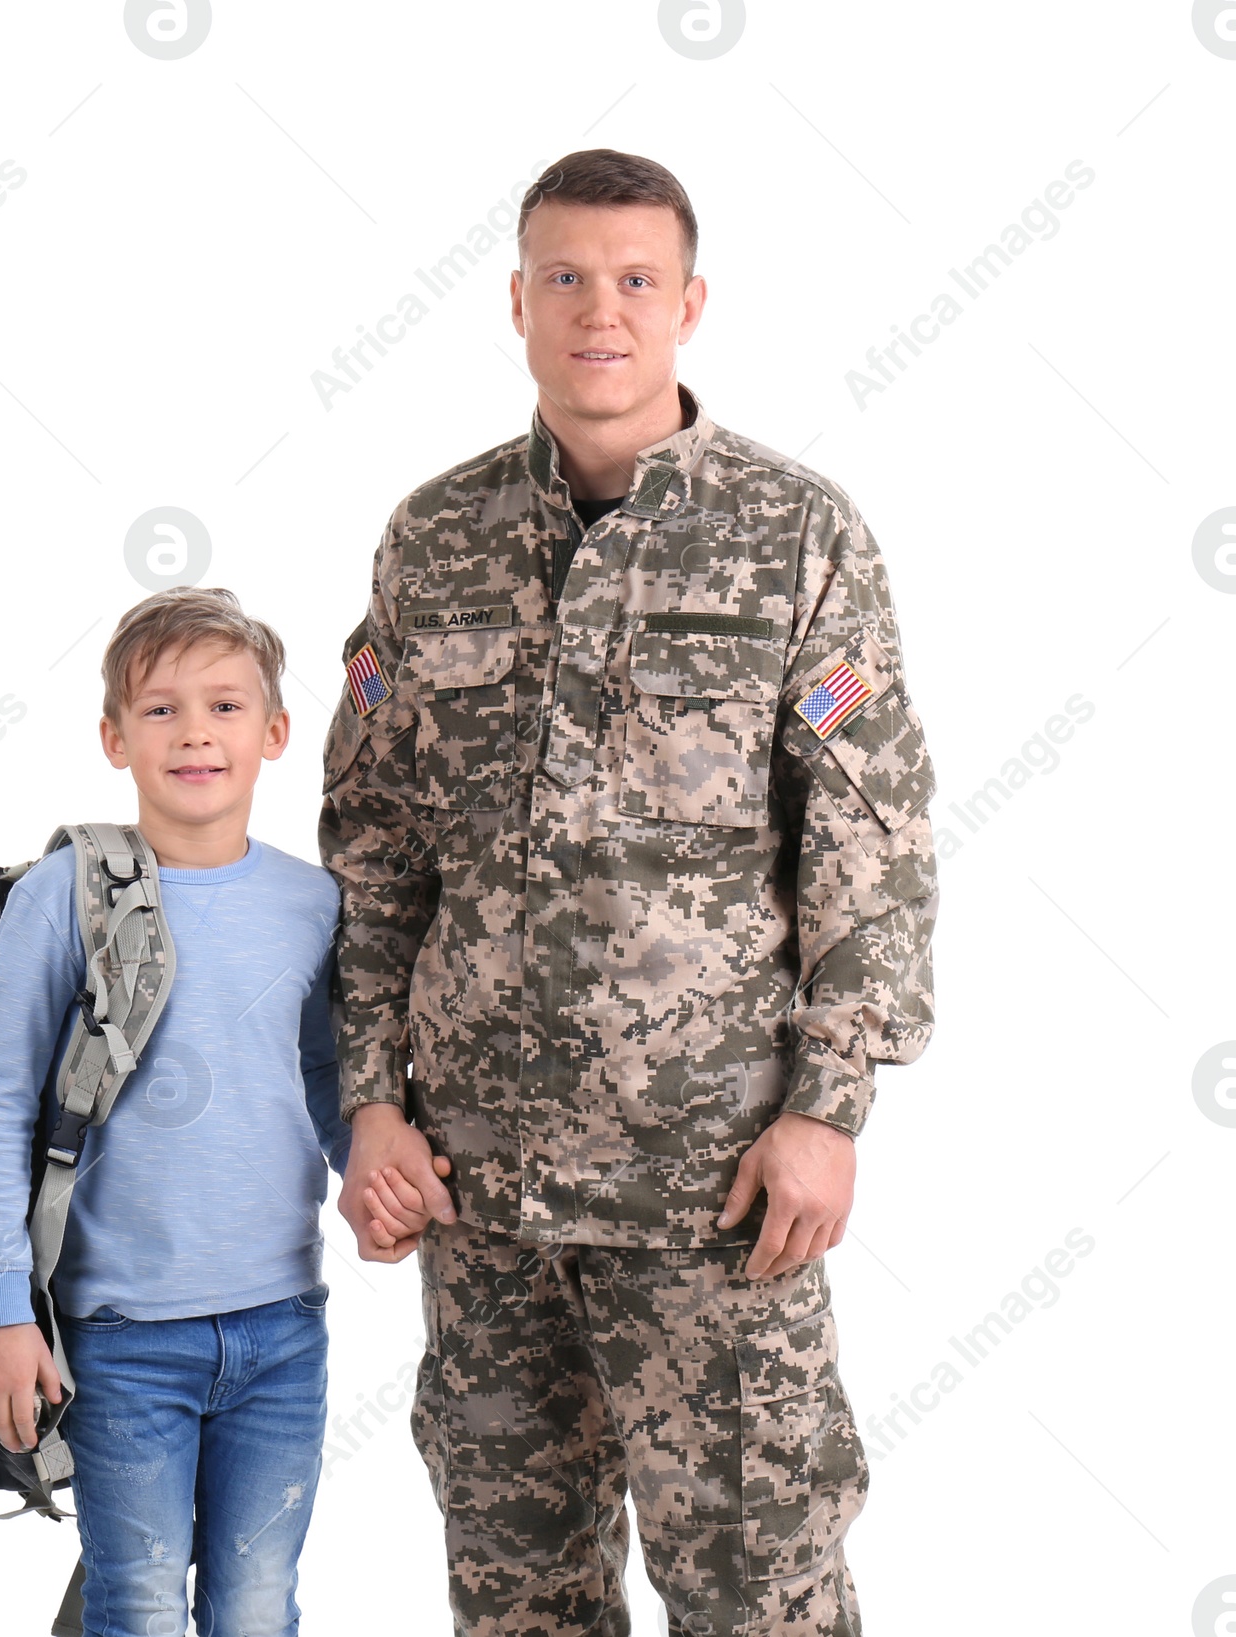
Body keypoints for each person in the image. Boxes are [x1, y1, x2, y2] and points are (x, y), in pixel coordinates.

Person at [319, 148, 939, 1636]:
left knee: (761, 1592)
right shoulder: (435, 541)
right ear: (519, 304)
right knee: (519, 1601)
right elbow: (374, 841)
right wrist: (367, 1098)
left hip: (714, 1192)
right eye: (567, 278)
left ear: (690, 304)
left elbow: (875, 838)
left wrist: (828, 1107)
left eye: (637, 279)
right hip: (486, 1201)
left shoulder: (798, 536)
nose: (603, 309)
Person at [0, 587, 426, 1637]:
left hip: (282, 1327)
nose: (195, 731)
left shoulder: (315, 903)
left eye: (223, 704)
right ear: (114, 737)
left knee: (258, 1609)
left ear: (274, 732)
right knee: (141, 1607)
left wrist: (371, 1179)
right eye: (160, 709)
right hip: (120, 1332)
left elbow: (319, 1076)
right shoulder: (66, 895)